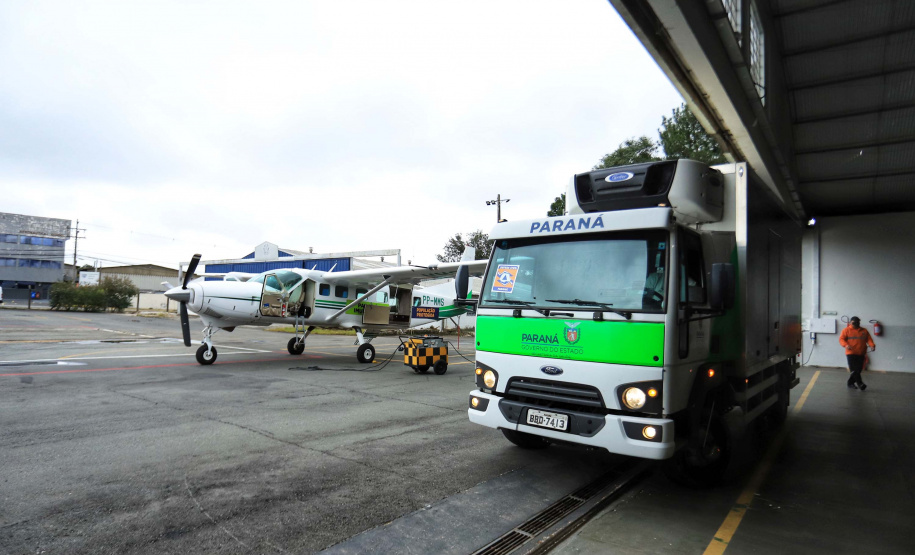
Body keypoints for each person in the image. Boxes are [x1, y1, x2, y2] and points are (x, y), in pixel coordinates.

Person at [839, 316, 875, 390]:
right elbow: (841, 339)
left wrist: (872, 345)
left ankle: (850, 383)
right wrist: (846, 345)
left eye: (857, 322)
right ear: (851, 322)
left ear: (859, 322)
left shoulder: (864, 331)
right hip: (850, 353)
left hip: (861, 353)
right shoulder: (846, 330)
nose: (856, 324)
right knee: (853, 370)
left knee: (858, 370)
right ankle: (860, 384)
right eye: (854, 322)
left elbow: (869, 339)